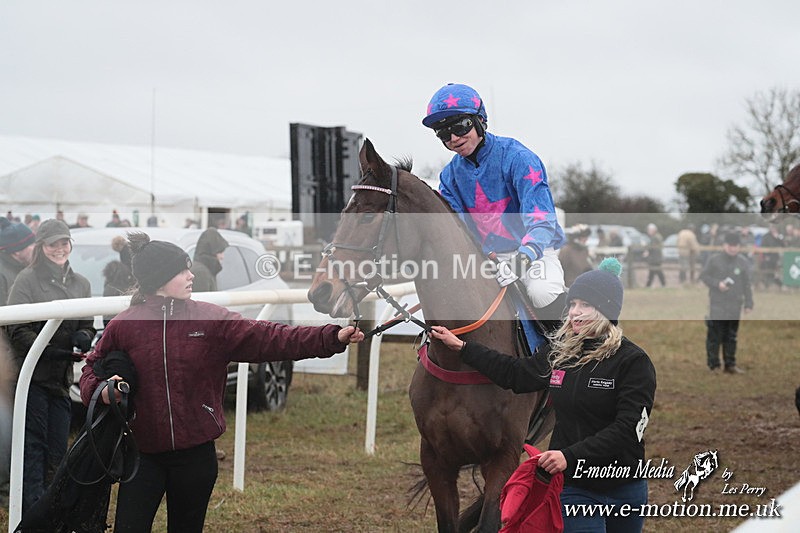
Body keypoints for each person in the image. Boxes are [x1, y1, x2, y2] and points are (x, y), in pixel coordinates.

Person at [79, 232, 364, 532]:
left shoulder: (211, 319)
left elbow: (273, 338)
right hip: (142, 457)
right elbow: (91, 369)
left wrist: (331, 337)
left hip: (196, 457)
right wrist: (100, 391)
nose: (191, 275)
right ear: (159, 279)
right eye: (182, 270)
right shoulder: (124, 325)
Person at [430, 258, 657, 532]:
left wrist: (568, 455)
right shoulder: (560, 354)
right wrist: (463, 348)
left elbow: (627, 429)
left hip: (625, 487)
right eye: (572, 305)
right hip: (574, 486)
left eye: (585, 306)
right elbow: (514, 374)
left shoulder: (633, 362)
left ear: (606, 311)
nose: (575, 312)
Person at [422, 83, 567, 331]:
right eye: (444, 133)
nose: (454, 138)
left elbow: (542, 219)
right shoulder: (449, 177)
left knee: (542, 292)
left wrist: (522, 259)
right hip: (487, 260)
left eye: (460, 126)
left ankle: (567, 354)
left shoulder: (519, 158)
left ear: (480, 120)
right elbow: (458, 229)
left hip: (534, 253)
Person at [6, 219, 96, 512]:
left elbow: (87, 321)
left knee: (58, 446)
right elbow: (15, 329)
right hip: (31, 377)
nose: (59, 249)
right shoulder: (26, 280)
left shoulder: (81, 282)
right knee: (34, 447)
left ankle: (53, 509)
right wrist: (49, 350)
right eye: (52, 244)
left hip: (61, 379)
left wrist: (85, 334)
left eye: (64, 242)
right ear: (41, 247)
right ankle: (31, 512)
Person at [699, 231, 753, 374]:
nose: (733, 248)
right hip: (718, 303)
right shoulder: (714, 260)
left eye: (735, 246)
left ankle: (730, 364)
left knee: (731, 336)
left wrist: (749, 303)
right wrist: (717, 284)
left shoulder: (743, 262)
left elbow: (747, 284)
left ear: (739, 246)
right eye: (730, 245)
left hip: (735, 304)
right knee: (715, 335)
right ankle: (714, 365)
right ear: (724, 245)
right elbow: (704, 276)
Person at [0, 216, 36, 305]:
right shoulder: (2, 276)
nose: (37, 249)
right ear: (16, 251)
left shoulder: (26, 267)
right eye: (31, 245)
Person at [190, 227, 229, 292]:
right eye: (220, 252)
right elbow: (202, 300)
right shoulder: (200, 273)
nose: (222, 257)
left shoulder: (207, 269)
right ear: (211, 251)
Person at [758, 224, 783, 290]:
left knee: (775, 271)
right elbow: (763, 246)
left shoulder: (778, 236)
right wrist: (766, 256)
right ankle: (767, 284)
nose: (773, 229)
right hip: (768, 257)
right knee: (767, 271)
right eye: (772, 228)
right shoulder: (766, 236)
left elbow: (783, 245)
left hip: (775, 257)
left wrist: (777, 238)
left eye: (774, 228)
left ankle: (772, 284)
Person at [644, 223, 665, 288]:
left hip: (655, 258)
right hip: (657, 258)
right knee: (653, 272)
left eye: (649, 230)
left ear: (653, 230)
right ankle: (649, 285)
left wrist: (647, 249)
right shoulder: (657, 236)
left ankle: (663, 284)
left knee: (657, 272)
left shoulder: (654, 238)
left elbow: (651, 247)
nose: (648, 231)